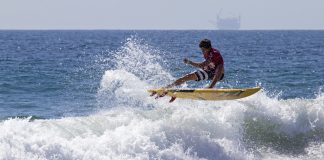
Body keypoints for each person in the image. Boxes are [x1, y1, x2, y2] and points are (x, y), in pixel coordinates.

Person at [153, 39, 225, 102]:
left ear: (208, 48)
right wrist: (204, 68)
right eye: (201, 50)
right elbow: (205, 65)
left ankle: (210, 87)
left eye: (203, 50)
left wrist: (189, 62)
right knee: (187, 76)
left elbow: (202, 65)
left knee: (219, 68)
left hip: (219, 74)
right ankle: (166, 88)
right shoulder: (207, 53)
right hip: (210, 71)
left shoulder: (215, 53)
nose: (202, 52)